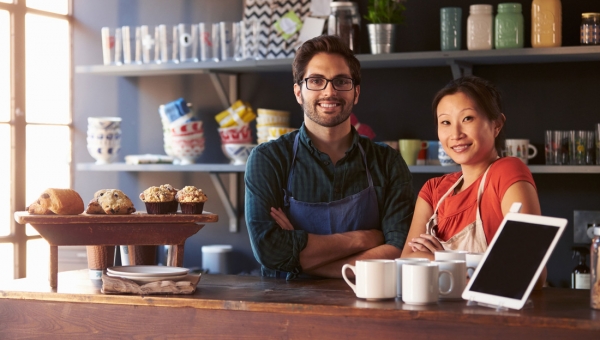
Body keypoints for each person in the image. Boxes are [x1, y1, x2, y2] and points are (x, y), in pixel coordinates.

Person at [244, 35, 415, 280]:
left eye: (341, 81)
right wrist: (365, 238)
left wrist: (297, 260)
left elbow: (398, 252)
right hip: (286, 310)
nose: (329, 91)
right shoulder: (268, 159)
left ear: (356, 92)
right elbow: (270, 251)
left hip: (367, 309)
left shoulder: (388, 163)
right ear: (298, 92)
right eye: (316, 81)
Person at [400, 76, 546, 286]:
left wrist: (442, 259)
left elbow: (530, 272)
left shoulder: (506, 172)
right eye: (445, 122)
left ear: (496, 125)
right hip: (434, 316)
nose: (456, 134)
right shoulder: (433, 190)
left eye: (467, 118)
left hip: (493, 315)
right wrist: (468, 271)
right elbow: (405, 264)